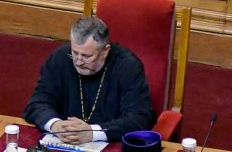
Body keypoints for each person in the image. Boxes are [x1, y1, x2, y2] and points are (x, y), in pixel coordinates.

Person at [22, 16, 154, 144]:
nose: (78, 62)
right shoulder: (61, 57)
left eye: (86, 56)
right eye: (74, 52)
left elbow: (139, 119)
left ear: (105, 50)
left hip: (111, 147)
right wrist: (55, 125)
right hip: (64, 143)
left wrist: (92, 132)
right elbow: (36, 104)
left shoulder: (128, 66)